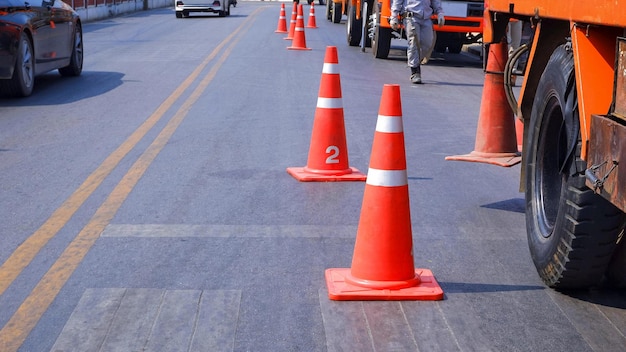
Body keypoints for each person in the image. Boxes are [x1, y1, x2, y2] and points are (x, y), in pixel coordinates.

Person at [390, 0, 444, 84]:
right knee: (413, 43)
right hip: (411, 17)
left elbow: (435, 1)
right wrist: (394, 16)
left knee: (428, 43)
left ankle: (416, 60)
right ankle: (415, 72)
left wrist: (440, 13)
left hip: (426, 18)